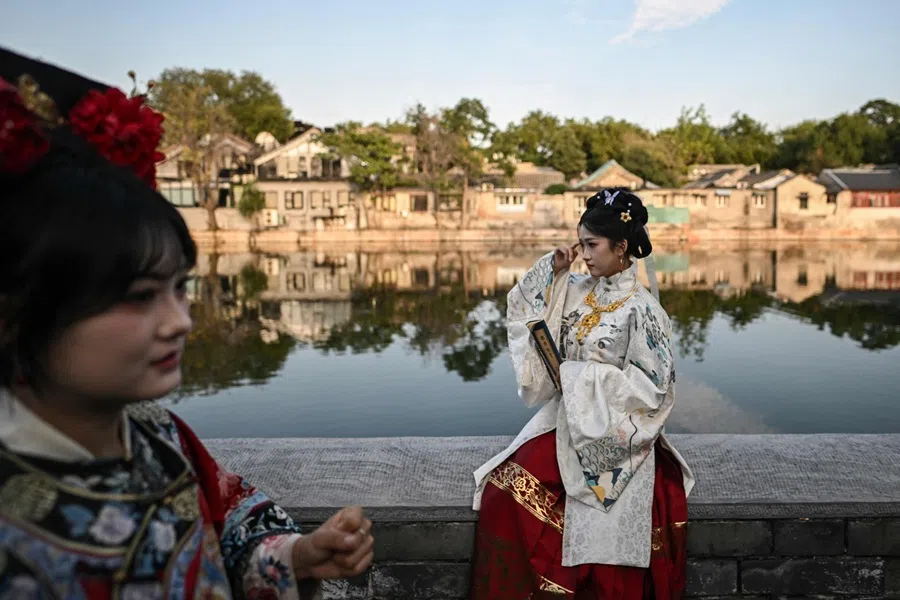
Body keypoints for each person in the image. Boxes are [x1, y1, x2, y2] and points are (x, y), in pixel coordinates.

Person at [0, 48, 373, 599]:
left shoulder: (157, 431)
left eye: (180, 288)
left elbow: (231, 527)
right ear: (17, 311)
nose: (179, 321)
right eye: (138, 297)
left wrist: (297, 554)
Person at [470, 188, 695, 599]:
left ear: (621, 247)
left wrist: (577, 376)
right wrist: (552, 270)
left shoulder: (643, 310)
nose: (584, 255)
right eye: (581, 244)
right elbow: (524, 305)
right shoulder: (577, 287)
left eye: (592, 245)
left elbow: (654, 392)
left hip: (615, 438)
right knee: (503, 494)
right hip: (565, 420)